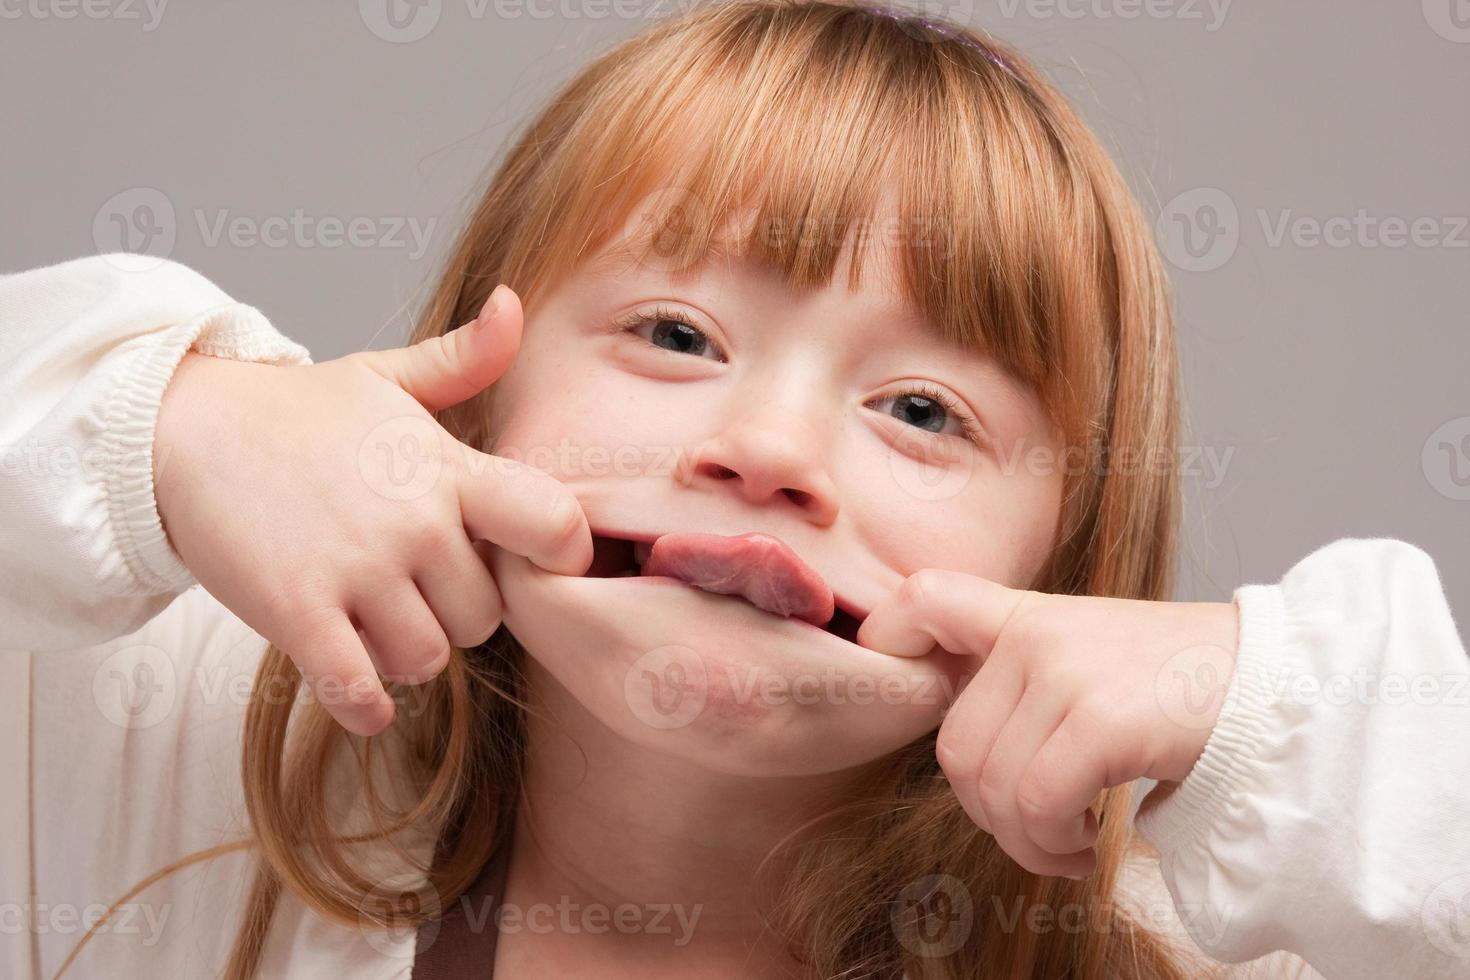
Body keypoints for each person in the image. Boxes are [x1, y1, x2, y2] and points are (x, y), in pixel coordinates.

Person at [1, 2, 1465, 978]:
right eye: (674, 335)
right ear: (480, 396)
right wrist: (170, 428)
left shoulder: (1210, 943)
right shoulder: (173, 748)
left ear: (1065, 567)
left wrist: (1276, 723)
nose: (767, 450)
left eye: (919, 412)